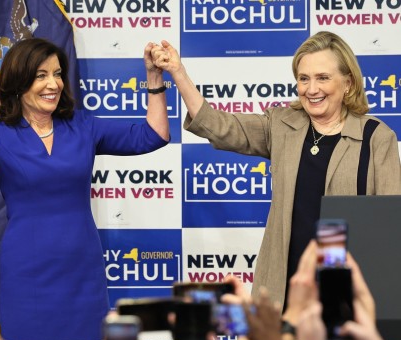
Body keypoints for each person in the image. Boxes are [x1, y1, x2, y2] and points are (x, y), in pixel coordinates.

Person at [0, 38, 170, 340]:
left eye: (57, 74)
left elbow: (154, 136)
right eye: (41, 75)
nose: (53, 83)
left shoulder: (82, 125)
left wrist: (154, 77)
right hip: (28, 271)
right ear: (18, 81)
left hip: (82, 269)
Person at [153, 31, 401, 306]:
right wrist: (179, 73)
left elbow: (391, 226)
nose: (311, 89)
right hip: (283, 291)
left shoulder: (377, 137)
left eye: (323, 77)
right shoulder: (282, 124)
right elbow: (221, 126)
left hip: (349, 293)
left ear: (348, 83)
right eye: (303, 78)